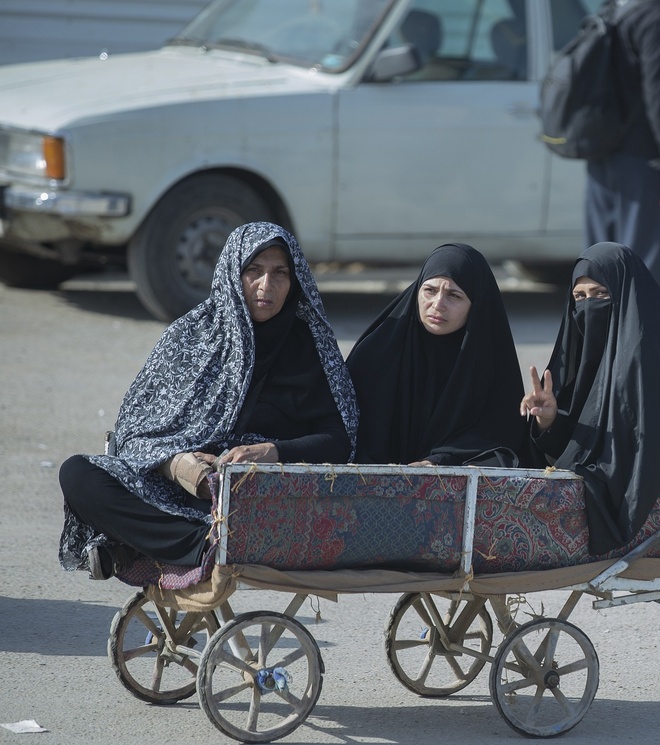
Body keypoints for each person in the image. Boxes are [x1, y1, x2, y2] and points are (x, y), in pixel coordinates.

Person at [58, 222, 359, 580]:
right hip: (180, 491)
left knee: (249, 513)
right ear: (233, 273)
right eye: (254, 271)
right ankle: (200, 545)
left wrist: (273, 451)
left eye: (280, 273)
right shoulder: (192, 336)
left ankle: (141, 545)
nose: (267, 286)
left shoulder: (311, 348)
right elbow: (133, 432)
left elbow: (339, 442)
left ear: (295, 281)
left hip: (257, 497)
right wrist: (180, 464)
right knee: (78, 473)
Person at [521, 242, 660, 555]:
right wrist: (549, 420)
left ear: (627, 297)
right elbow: (592, 436)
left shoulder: (643, 357)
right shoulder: (595, 354)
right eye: (579, 298)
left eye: (601, 295)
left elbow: (647, 453)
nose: (588, 307)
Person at [345, 243, 530, 467]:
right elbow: (347, 433)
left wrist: (440, 461)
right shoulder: (376, 353)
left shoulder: (489, 365)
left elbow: (501, 443)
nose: (438, 305)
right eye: (430, 291)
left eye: (454, 295)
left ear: (476, 305)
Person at [584, 0, 660, 292]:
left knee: (598, 265)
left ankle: (597, 334)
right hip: (643, 158)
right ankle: (640, 337)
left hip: (602, 153)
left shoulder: (614, 8)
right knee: (643, 270)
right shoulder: (658, 15)